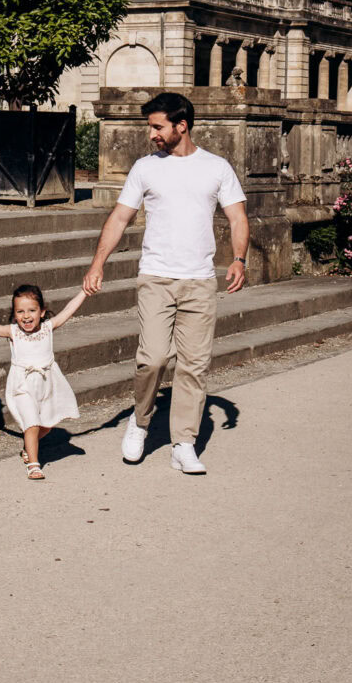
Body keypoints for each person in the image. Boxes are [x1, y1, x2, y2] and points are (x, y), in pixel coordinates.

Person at [83, 92, 249, 475]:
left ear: (181, 126)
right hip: (156, 277)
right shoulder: (145, 167)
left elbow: (238, 218)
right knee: (153, 358)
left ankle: (184, 443)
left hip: (200, 281)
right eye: (150, 127)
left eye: (158, 127)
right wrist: (97, 264)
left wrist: (239, 258)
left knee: (194, 366)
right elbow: (119, 218)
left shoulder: (217, 167)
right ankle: (140, 422)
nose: (152, 134)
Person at [0, 284, 86, 479]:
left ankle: (28, 446)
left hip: (47, 384)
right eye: (20, 311)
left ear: (42, 312)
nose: (26, 316)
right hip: (22, 386)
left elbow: (68, 310)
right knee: (31, 424)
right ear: (14, 315)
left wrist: (84, 292)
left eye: (32, 310)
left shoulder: (48, 328)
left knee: (46, 425)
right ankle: (33, 464)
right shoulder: (13, 332)